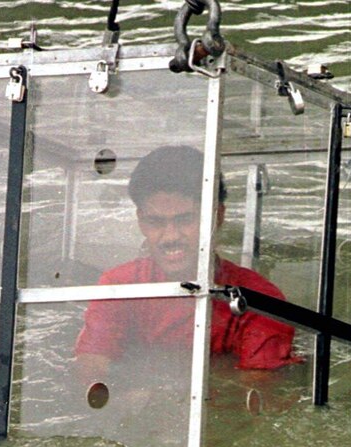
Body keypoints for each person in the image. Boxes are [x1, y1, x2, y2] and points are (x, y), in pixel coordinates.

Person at [74, 145, 301, 385]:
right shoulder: (118, 286)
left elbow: (258, 398)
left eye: (185, 219)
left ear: (218, 216)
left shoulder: (259, 299)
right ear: (140, 220)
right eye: (156, 221)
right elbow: (91, 373)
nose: (170, 236)